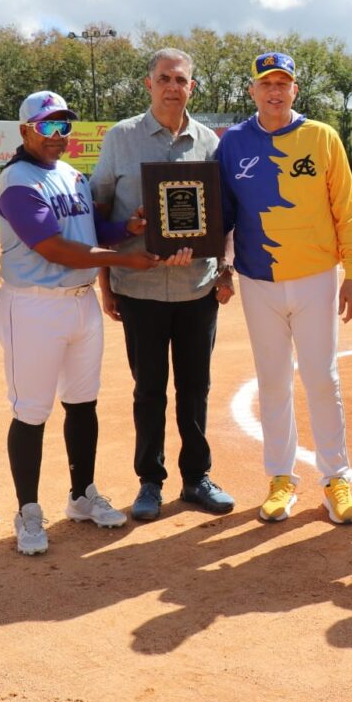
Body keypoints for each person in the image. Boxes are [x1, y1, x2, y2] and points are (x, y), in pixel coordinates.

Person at [0, 91, 185, 554]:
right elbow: (55, 248)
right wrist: (128, 260)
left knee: (82, 403)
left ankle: (81, 496)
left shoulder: (72, 176)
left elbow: (94, 232)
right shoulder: (18, 182)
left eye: (64, 126)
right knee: (32, 411)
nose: (58, 135)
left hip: (79, 303)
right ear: (25, 131)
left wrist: (129, 232)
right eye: (48, 126)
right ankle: (28, 511)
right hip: (34, 306)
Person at [215, 51, 352, 524]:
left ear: (295, 90)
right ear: (253, 90)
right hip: (258, 280)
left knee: (322, 377)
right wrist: (222, 267)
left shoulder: (321, 136)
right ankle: (281, 478)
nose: (275, 92)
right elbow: (223, 213)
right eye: (266, 84)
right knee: (273, 379)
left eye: (283, 84)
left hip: (317, 277)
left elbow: (346, 206)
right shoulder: (233, 142)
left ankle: (335, 477)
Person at [91, 49, 235, 522]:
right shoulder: (121, 138)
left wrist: (225, 267)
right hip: (140, 289)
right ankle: (149, 483)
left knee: (196, 387)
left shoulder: (210, 143)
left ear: (192, 86)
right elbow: (100, 214)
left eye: (181, 79)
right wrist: (106, 283)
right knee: (148, 390)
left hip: (198, 288)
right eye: (164, 78)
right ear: (148, 84)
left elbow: (224, 217)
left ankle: (197, 478)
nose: (173, 86)